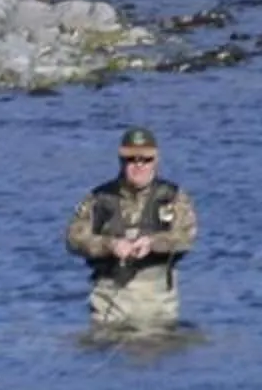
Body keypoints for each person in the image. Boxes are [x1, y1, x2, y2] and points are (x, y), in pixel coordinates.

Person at [64, 126, 197, 330]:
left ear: (156, 160)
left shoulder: (174, 197)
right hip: (109, 307)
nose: (138, 166)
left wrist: (153, 243)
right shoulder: (98, 199)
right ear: (120, 160)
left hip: (159, 307)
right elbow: (73, 239)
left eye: (146, 160)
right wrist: (110, 245)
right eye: (131, 159)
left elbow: (186, 236)